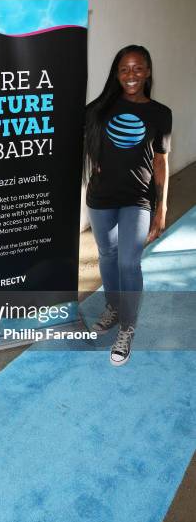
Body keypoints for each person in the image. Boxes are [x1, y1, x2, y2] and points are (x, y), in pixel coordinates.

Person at [84, 45, 172, 366]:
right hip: (101, 197)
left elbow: (161, 162)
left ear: (147, 71)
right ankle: (113, 306)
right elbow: (79, 134)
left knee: (128, 263)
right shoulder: (101, 107)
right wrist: (95, 163)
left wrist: (160, 209)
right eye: (124, 69)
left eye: (137, 68)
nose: (130, 75)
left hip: (137, 198)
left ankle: (127, 326)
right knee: (107, 255)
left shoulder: (160, 113)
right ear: (116, 74)